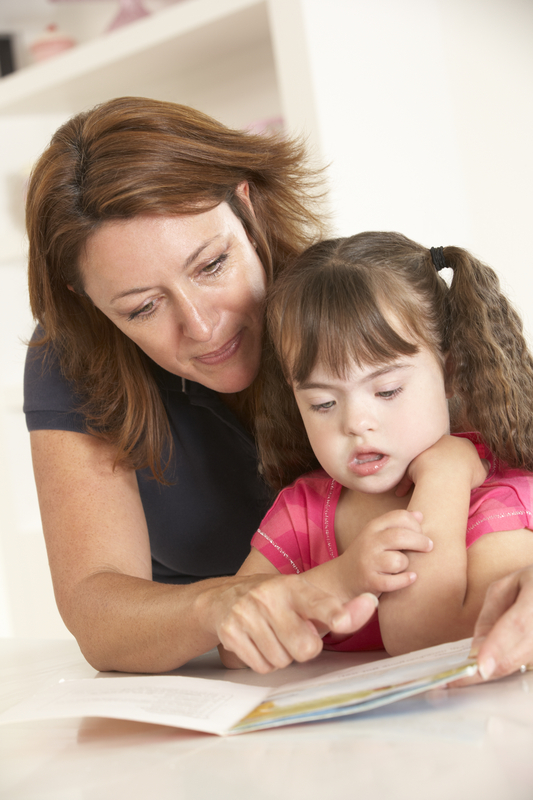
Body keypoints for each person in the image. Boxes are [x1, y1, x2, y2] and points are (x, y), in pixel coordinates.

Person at [23, 97, 479, 675]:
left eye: (212, 265)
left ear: (247, 206)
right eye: (142, 307)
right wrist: (222, 605)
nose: (202, 325)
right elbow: (98, 611)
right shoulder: (72, 357)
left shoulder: (348, 303)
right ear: (83, 298)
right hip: (238, 683)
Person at [218, 232, 533, 667]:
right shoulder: (303, 510)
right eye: (323, 403)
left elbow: (427, 638)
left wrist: (444, 474)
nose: (354, 423)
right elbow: (236, 647)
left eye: (386, 391)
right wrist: (346, 577)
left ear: (450, 369)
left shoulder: (497, 500)